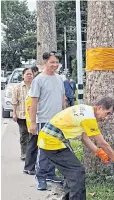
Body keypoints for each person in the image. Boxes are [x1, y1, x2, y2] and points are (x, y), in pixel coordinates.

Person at [37, 97, 114, 200]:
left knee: (71, 172)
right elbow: (102, 143)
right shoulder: (89, 117)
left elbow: (84, 137)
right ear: (99, 107)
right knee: (77, 172)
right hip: (52, 142)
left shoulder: (86, 111)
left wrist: (99, 153)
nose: (107, 118)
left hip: (51, 139)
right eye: (107, 113)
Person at [29, 51, 67, 190]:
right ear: (45, 62)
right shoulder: (38, 80)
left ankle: (51, 174)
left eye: (57, 62)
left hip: (59, 121)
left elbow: (63, 99)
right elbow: (33, 103)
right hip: (44, 120)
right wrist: (33, 123)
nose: (55, 65)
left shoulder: (59, 78)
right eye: (52, 62)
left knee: (56, 148)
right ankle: (41, 177)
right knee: (44, 150)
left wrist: (65, 114)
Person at [11, 68, 33, 161]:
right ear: (23, 75)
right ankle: (24, 153)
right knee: (24, 134)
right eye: (27, 74)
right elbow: (14, 102)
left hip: (33, 116)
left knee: (32, 135)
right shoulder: (17, 87)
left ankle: (31, 153)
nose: (29, 76)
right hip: (22, 115)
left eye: (31, 74)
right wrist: (14, 113)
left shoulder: (35, 86)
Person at [23, 67, 40, 175]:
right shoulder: (33, 92)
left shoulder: (33, 90)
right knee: (33, 144)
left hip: (34, 120)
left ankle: (30, 166)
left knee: (33, 144)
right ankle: (29, 167)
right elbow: (30, 108)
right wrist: (33, 123)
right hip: (34, 121)